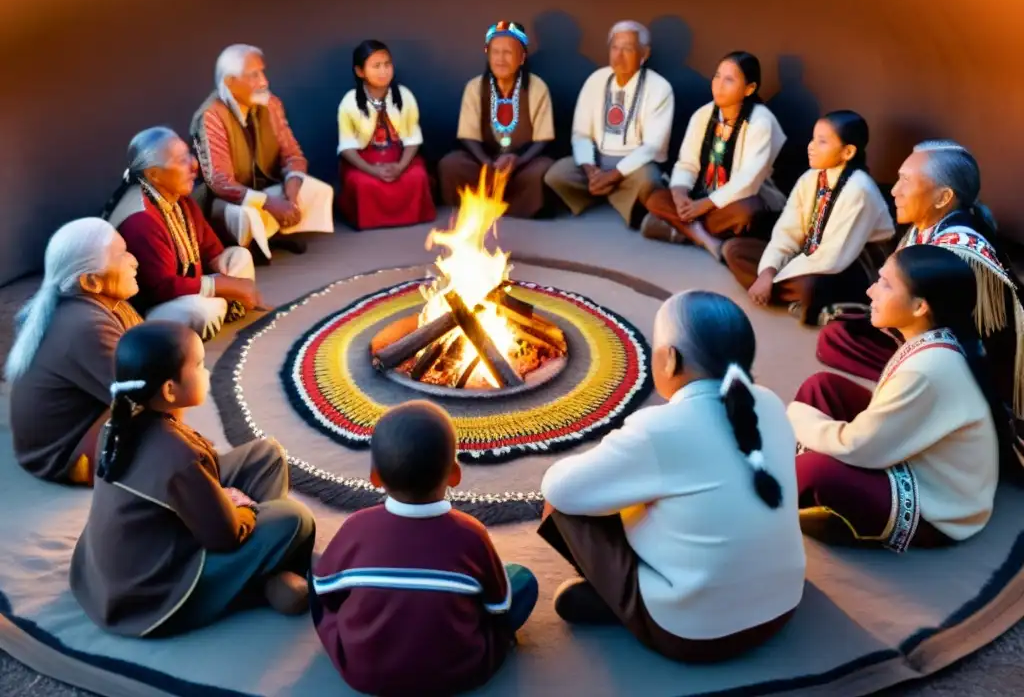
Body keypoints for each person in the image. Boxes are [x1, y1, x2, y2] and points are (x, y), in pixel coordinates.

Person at [539, 291, 804, 662]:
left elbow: (559, 488)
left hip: (693, 633)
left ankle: (625, 603)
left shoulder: (657, 430)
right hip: (783, 605)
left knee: (562, 503)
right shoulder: (772, 404)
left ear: (671, 359)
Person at [70, 321, 316, 637]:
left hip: (157, 536)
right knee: (294, 518)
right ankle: (268, 575)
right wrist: (242, 508)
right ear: (169, 390)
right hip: (153, 590)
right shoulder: (175, 455)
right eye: (199, 365)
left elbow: (189, 474)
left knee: (266, 456)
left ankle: (263, 568)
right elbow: (225, 535)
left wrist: (222, 499)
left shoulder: (122, 422)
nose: (206, 370)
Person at [816, 141, 1024, 469]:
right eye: (897, 179)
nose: (894, 190)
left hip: (962, 369)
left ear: (943, 197)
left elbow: (964, 348)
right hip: (923, 338)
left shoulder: (961, 252)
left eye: (906, 181)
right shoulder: (927, 228)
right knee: (836, 337)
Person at [311, 401, 538, 696]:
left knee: (320, 571)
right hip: (459, 674)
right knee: (522, 580)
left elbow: (326, 592)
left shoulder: (356, 528)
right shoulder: (472, 535)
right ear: (455, 474)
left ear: (375, 477)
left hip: (364, 673)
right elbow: (498, 606)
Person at [790, 245, 1003, 551]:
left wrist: (798, 418)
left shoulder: (927, 370)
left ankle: (800, 491)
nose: (870, 290)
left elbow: (856, 445)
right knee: (820, 387)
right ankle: (820, 496)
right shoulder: (933, 338)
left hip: (939, 510)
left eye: (886, 284)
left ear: (920, 307)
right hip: (910, 453)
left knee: (813, 468)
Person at [722, 111, 894, 325]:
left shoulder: (860, 189)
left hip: (852, 263)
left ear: (848, 152)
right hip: (809, 255)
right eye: (813, 138)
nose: (810, 146)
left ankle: (808, 299)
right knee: (734, 250)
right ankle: (803, 302)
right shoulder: (810, 178)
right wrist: (768, 272)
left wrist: (774, 276)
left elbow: (833, 257)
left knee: (811, 287)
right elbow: (788, 233)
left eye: (822, 142)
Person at [5, 218, 142, 485]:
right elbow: (145, 390)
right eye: (121, 255)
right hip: (66, 457)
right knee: (164, 402)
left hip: (63, 442)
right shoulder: (86, 326)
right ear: (91, 281)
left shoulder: (105, 306)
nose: (134, 260)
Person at [103, 127, 263, 341]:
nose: (194, 164)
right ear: (154, 174)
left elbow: (210, 249)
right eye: (181, 160)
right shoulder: (139, 220)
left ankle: (225, 301)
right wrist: (224, 285)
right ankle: (224, 303)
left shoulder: (180, 199)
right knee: (201, 312)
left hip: (185, 287)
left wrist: (224, 274)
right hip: (149, 307)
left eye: (189, 154)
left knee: (239, 257)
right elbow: (160, 288)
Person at [190, 43, 334, 260]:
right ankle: (249, 247)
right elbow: (220, 182)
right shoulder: (211, 116)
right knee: (246, 215)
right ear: (230, 82)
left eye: (262, 73)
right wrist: (269, 203)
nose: (264, 82)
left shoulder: (271, 104)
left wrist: (290, 194)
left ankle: (277, 233)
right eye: (253, 75)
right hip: (229, 200)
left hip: (268, 187)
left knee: (316, 190)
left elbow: (293, 155)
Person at [643, 51, 786, 259]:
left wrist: (704, 206)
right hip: (699, 197)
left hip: (734, 202)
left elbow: (749, 181)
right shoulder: (703, 115)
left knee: (747, 211)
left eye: (729, 80)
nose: (719, 85)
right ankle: (709, 241)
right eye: (717, 76)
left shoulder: (760, 121)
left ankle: (682, 230)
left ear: (749, 89)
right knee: (655, 198)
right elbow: (687, 164)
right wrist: (680, 194)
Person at [544, 20, 674, 228]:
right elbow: (581, 133)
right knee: (556, 175)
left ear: (645, 54)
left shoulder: (659, 87)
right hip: (597, 160)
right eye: (614, 48)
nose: (618, 55)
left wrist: (613, 176)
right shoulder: (596, 79)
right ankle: (609, 193)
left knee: (649, 181)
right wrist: (590, 170)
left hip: (634, 166)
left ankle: (611, 193)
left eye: (628, 49)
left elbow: (652, 147)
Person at [438, 21, 555, 219]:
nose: (500, 59)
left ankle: (508, 207)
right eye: (495, 52)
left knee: (543, 171)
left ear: (522, 57)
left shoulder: (537, 87)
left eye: (508, 52)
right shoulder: (475, 87)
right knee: (451, 164)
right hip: (484, 160)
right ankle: (480, 204)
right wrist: (487, 163)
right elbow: (468, 136)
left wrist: (517, 161)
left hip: (522, 163)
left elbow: (543, 138)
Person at [337, 40, 435, 230]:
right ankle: (370, 221)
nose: (383, 71)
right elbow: (347, 146)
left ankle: (411, 217)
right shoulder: (349, 101)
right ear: (360, 71)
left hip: (399, 157)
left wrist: (400, 166)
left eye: (387, 64)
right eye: (376, 66)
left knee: (417, 176)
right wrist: (372, 170)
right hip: (365, 161)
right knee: (362, 184)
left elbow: (413, 138)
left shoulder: (404, 95)